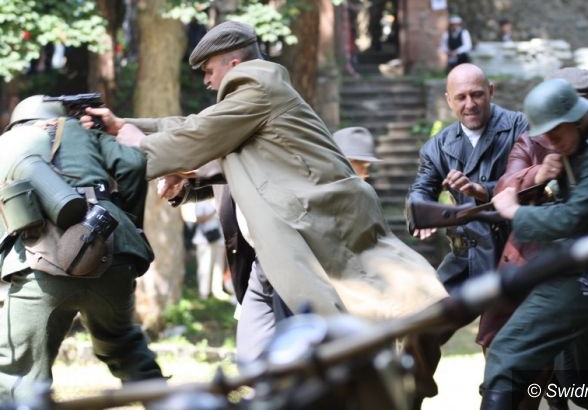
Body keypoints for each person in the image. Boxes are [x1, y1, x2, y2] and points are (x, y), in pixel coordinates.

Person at [83, 21, 448, 390]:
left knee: (329, 360)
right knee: (257, 367)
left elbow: (195, 137)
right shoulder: (249, 101)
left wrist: (133, 146)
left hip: (304, 246)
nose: (207, 81)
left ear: (234, 64)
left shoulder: (257, 86)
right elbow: (193, 125)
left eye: (209, 70)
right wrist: (121, 125)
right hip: (271, 257)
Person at [481, 78, 588, 409]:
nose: (551, 143)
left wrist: (514, 212)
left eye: (556, 135)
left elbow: (573, 219)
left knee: (506, 355)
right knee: (576, 384)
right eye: (546, 136)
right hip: (587, 266)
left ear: (577, 118)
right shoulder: (582, 144)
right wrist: (551, 173)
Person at [0, 96, 163, 400]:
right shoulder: (83, 131)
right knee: (124, 346)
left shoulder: (8, 143)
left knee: (19, 375)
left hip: (41, 264)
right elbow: (133, 163)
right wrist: (125, 221)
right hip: (113, 252)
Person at [407, 63, 528, 295]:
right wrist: (420, 212)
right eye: (461, 97)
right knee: (429, 308)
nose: (470, 104)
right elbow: (422, 188)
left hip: (514, 253)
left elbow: (529, 181)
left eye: (477, 95)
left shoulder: (519, 126)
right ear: (448, 100)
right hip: (465, 256)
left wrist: (481, 190)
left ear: (490, 91)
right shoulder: (437, 147)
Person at [191, 198, 229, 301]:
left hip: (219, 238)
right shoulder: (200, 202)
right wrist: (214, 212)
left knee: (219, 266)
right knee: (204, 266)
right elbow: (199, 219)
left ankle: (217, 290)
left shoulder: (219, 200)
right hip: (204, 240)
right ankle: (203, 293)